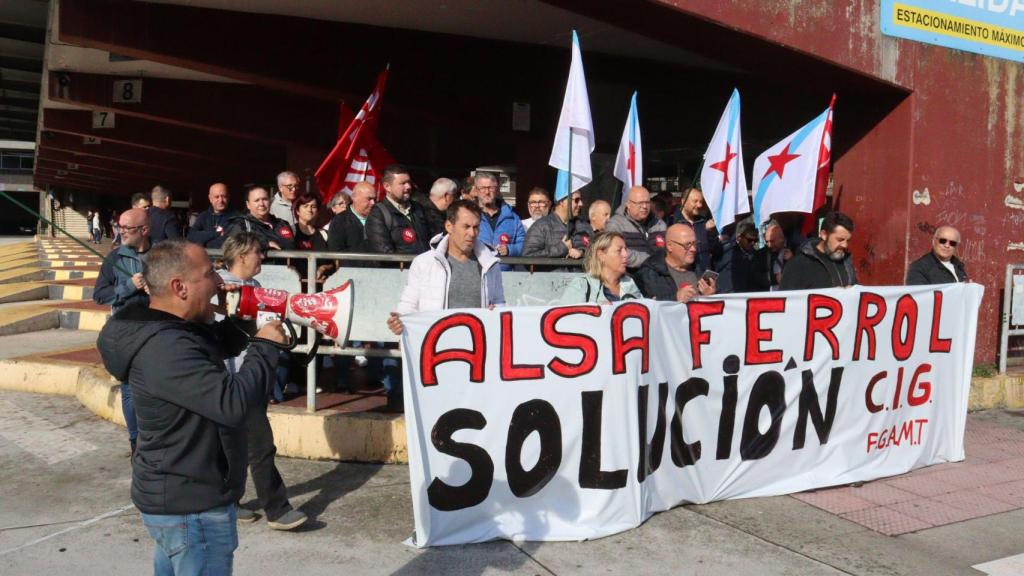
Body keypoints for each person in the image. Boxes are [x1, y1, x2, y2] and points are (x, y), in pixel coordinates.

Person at [96, 239, 287, 574]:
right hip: (192, 509)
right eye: (209, 273)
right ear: (179, 287)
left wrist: (242, 315)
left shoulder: (169, 326)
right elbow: (233, 404)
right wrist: (265, 347)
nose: (217, 281)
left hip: (180, 499)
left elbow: (215, 344)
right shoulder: (166, 347)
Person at [216, 233, 308, 531]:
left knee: (248, 444)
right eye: (258, 252)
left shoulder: (254, 287)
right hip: (228, 378)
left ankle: (232, 502)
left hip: (248, 376)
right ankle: (276, 509)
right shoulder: (217, 284)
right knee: (255, 445)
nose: (262, 257)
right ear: (242, 255)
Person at [387, 200, 506, 410]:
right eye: (466, 227)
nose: (472, 233)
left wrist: (495, 313)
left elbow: (499, 303)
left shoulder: (490, 264)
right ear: (449, 226)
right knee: (434, 410)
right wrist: (400, 322)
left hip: (476, 356)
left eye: (476, 227)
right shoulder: (424, 263)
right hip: (436, 354)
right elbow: (408, 304)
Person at [94, 207, 152, 454]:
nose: (121, 232)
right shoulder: (114, 258)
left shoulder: (164, 254)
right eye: (120, 227)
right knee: (128, 389)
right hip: (126, 332)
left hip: (157, 330)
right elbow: (100, 295)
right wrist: (129, 286)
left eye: (127, 228)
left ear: (144, 230)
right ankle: (135, 441)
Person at [635, 223, 717, 302]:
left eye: (695, 244)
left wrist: (710, 297)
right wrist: (675, 298)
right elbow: (648, 307)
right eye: (687, 245)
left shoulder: (700, 266)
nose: (693, 249)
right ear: (670, 246)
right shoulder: (651, 274)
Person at [780, 211, 857, 290]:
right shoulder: (799, 264)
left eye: (848, 240)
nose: (845, 245)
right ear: (824, 235)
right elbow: (786, 299)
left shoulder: (846, 262)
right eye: (840, 240)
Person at [366, 164, 431, 256]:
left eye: (409, 182)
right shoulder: (378, 214)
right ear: (387, 186)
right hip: (400, 269)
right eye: (403, 183)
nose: (408, 186)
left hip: (425, 268)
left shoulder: (418, 208)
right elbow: (384, 254)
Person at [560, 231, 642, 304]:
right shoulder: (581, 285)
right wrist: (596, 312)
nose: (626, 255)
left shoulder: (630, 283)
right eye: (619, 250)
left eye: (625, 249)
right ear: (601, 255)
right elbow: (565, 318)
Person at [604, 186, 666, 271]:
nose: (644, 206)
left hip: (659, 275)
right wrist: (650, 260)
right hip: (629, 276)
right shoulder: (616, 225)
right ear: (628, 204)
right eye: (640, 203)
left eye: (647, 202)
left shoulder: (659, 224)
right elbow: (615, 252)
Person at [475, 171, 525, 268]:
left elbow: (524, 245)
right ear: (476, 191)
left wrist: (510, 249)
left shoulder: (512, 217)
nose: (487, 192)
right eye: (483, 188)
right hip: (478, 274)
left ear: (497, 190)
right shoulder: (471, 216)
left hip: (506, 277)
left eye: (491, 188)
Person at [226, 184, 295, 250]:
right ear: (248, 205)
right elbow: (233, 247)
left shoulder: (282, 224)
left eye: (265, 199)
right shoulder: (241, 225)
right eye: (257, 200)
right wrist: (265, 244)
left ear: (270, 201)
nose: (261, 204)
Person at [668, 187, 721, 273]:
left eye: (701, 202)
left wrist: (711, 233)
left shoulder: (703, 222)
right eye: (695, 201)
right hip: (682, 276)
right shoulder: (672, 222)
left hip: (704, 276)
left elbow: (716, 251)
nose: (699, 205)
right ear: (683, 201)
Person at [523, 189, 583, 259]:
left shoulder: (582, 224)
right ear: (562, 202)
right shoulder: (538, 226)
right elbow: (528, 257)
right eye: (533, 202)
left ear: (549, 204)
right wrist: (562, 248)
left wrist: (581, 252)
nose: (537, 206)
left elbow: (591, 248)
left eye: (541, 202)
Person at [292, 192, 334, 283]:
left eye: (313, 207)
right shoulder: (290, 233)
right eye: (305, 206)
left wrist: (323, 268)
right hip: (294, 287)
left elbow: (333, 263)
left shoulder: (325, 235)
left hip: (321, 288)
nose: (309, 210)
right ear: (297, 211)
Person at [187, 182, 239, 249]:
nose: (220, 200)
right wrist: (216, 233)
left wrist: (203, 239)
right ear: (210, 198)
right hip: (205, 258)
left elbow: (229, 244)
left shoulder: (237, 217)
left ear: (228, 197)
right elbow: (191, 237)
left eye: (224, 196)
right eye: (216, 197)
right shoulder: (203, 216)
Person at [715, 219, 759, 294]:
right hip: (725, 296)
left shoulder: (755, 255)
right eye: (749, 240)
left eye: (755, 240)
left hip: (744, 297)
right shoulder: (727, 251)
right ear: (739, 237)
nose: (752, 243)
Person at [751, 220, 790, 292]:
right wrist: (775, 278)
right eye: (767, 241)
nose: (769, 245)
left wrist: (792, 260)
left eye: (772, 241)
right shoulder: (761, 254)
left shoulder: (793, 248)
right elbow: (755, 276)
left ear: (781, 239)